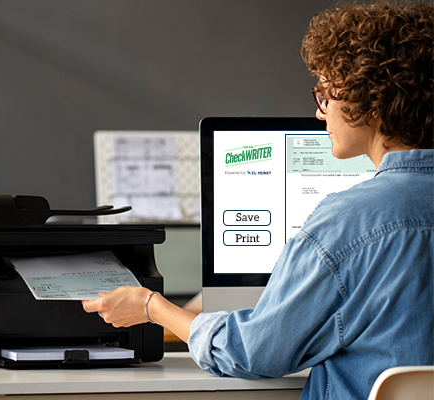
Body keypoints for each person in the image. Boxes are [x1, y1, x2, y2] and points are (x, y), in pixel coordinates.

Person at [82, 2, 433, 399]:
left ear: (367, 98)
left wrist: (151, 306)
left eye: (325, 95)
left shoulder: (347, 223)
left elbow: (254, 352)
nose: (320, 115)